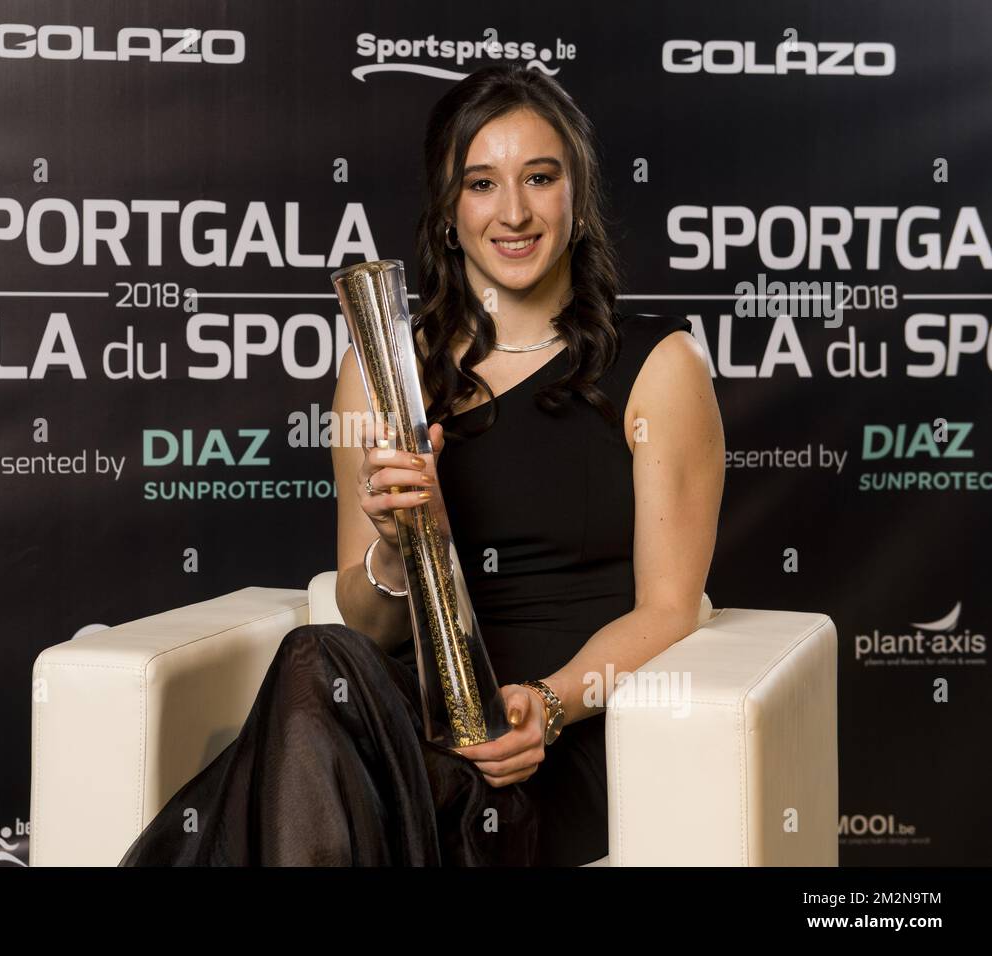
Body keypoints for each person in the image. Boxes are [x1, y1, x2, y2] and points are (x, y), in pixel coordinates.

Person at [119, 64, 724, 867]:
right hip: (405, 733)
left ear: (577, 200)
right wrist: (397, 545)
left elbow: (672, 609)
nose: (513, 212)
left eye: (540, 178)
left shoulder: (658, 366)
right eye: (481, 184)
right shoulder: (379, 371)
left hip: (541, 754)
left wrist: (549, 702)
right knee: (320, 664)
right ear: (448, 212)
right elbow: (364, 622)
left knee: (294, 746)